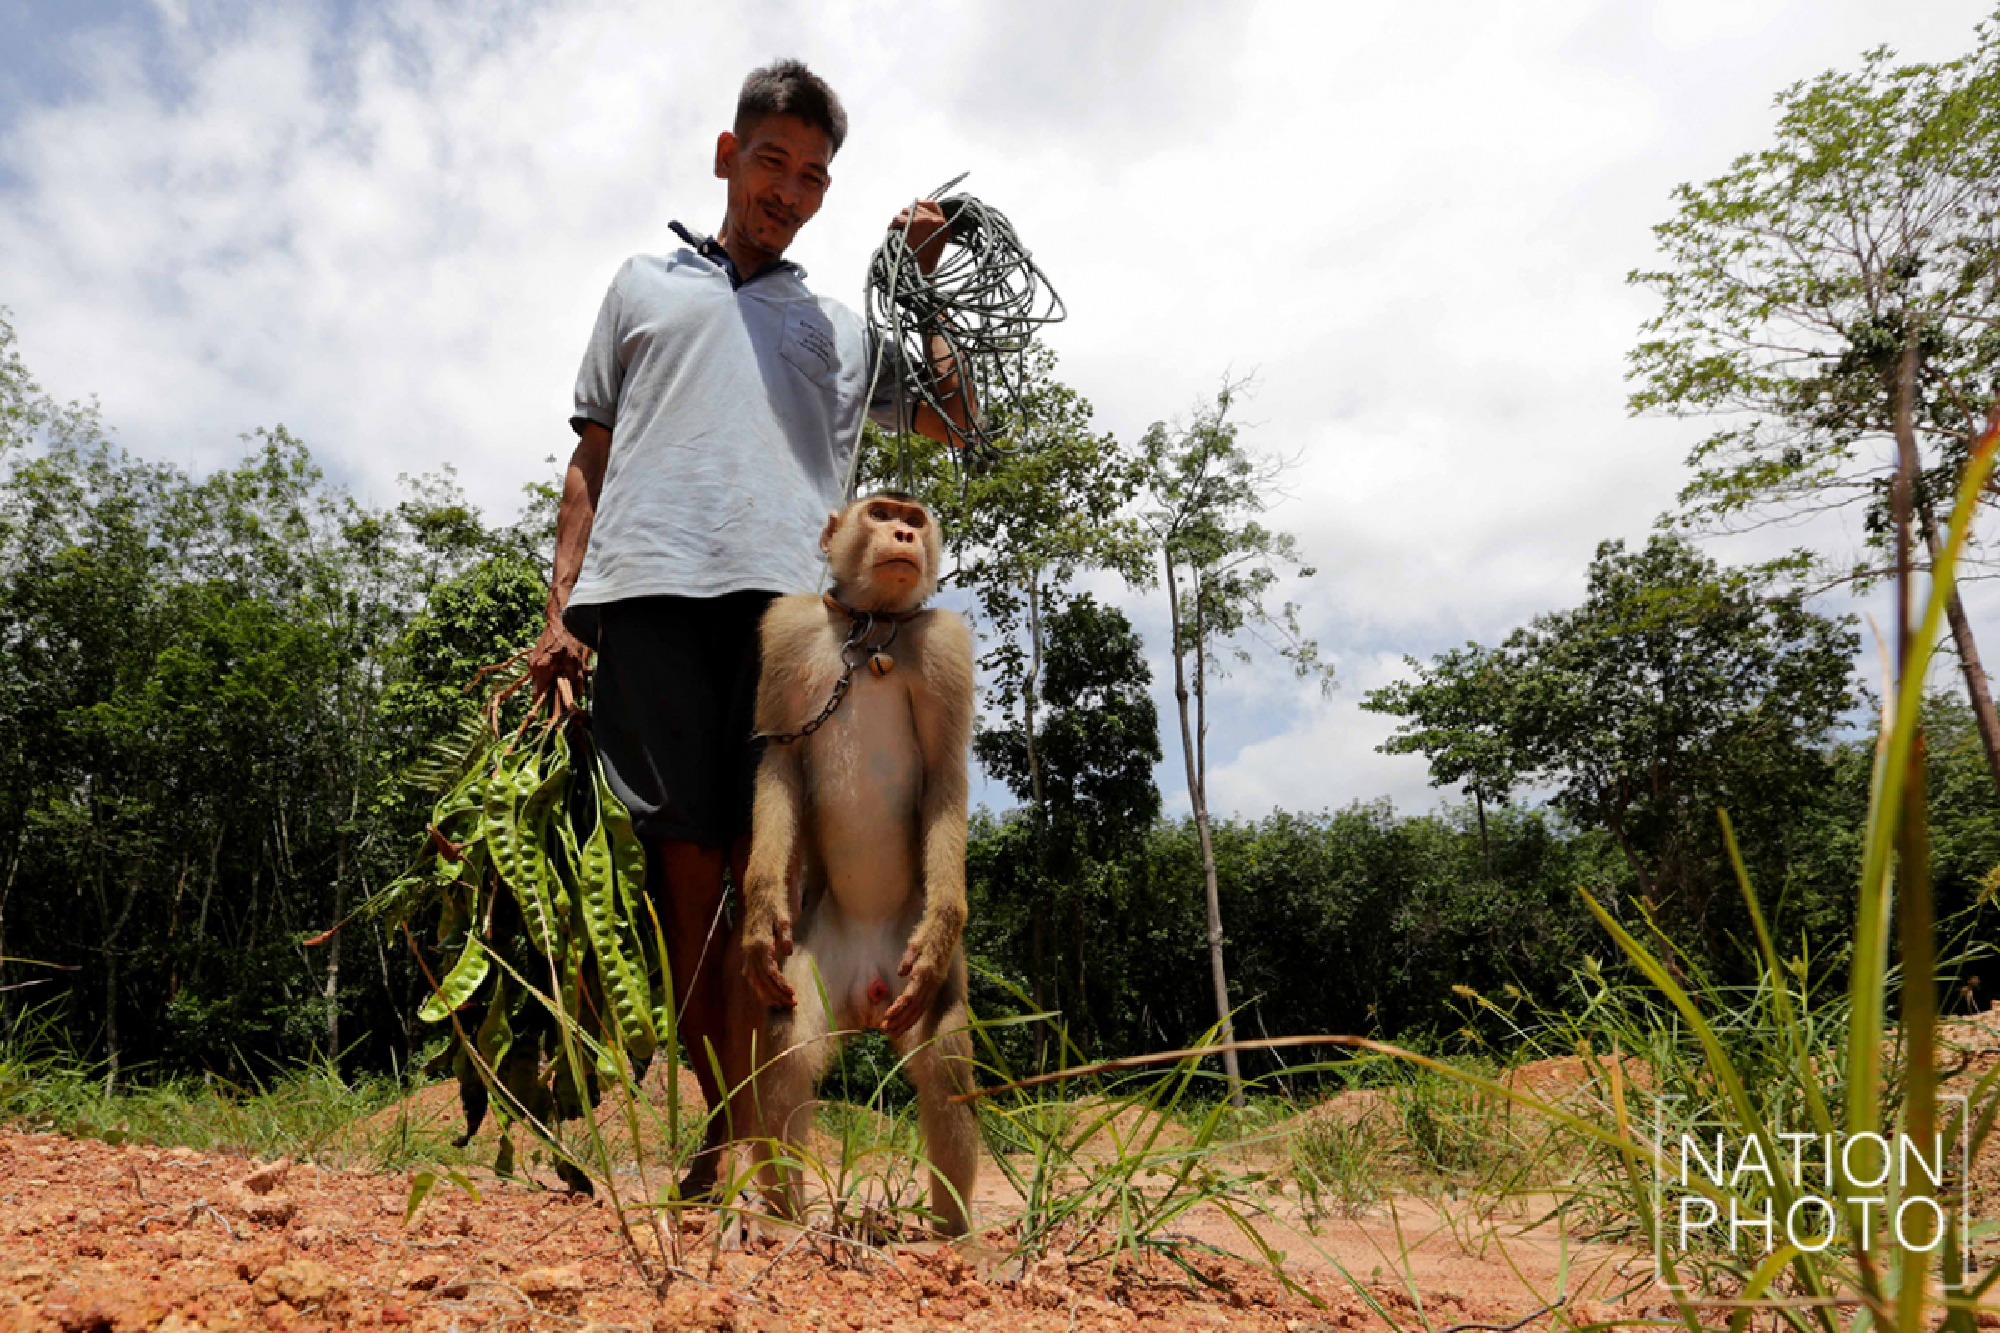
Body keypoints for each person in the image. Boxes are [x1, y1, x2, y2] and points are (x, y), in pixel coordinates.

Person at [525, 59, 971, 1197]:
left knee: (769, 885)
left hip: (795, 624)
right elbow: (591, 457)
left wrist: (924, 292)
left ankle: (769, 1148)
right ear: (729, 156)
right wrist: (559, 606)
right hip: (651, 597)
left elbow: (953, 422)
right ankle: (722, 1132)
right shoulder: (640, 286)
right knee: (688, 882)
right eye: (771, 161)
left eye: (813, 175)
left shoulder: (832, 323)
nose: (788, 188)